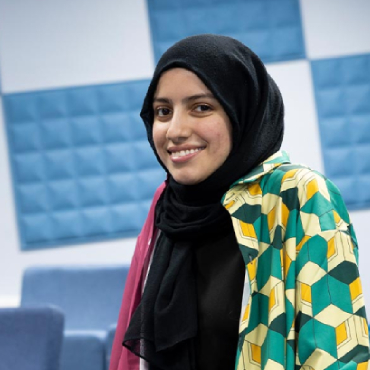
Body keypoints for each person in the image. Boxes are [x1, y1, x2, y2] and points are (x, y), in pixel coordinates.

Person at [109, 34, 370, 370]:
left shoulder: (296, 194)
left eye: (201, 107)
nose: (174, 130)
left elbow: (336, 355)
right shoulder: (168, 204)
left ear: (242, 111)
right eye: (163, 111)